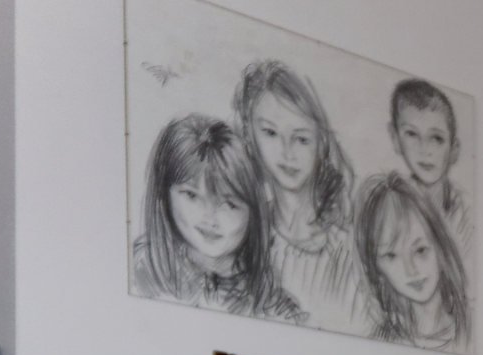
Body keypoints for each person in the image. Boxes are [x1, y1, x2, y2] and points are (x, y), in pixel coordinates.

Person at [232, 60, 368, 331]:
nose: (287, 152)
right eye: (271, 133)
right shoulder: (239, 238)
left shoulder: (349, 253)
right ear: (249, 136)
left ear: (321, 144)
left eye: (301, 138)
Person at [132, 114, 301, 322]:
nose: (210, 218)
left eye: (229, 204)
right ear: (164, 195)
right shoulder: (138, 269)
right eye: (192, 195)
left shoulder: (275, 307)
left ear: (254, 213)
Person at [355, 172, 472, 354]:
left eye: (420, 250)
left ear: (441, 246)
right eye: (391, 256)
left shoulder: (475, 327)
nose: (411, 270)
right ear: (376, 268)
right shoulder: (376, 345)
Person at [388, 78, 471, 253]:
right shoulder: (391, 206)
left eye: (436, 139)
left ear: (454, 150)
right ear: (395, 139)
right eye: (412, 134)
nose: (424, 150)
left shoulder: (465, 211)